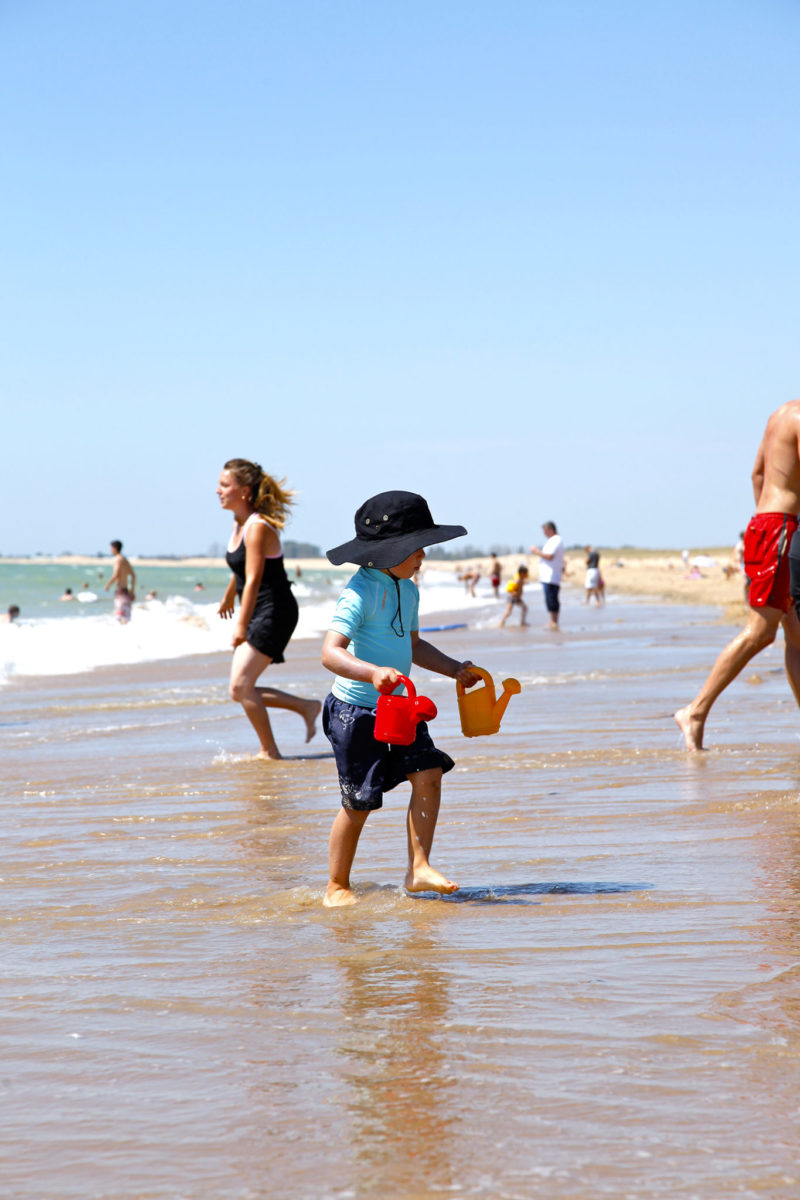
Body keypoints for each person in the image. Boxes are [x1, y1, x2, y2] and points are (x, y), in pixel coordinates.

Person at [320, 490, 483, 907]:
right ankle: (337, 884)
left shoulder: (408, 591)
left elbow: (412, 646)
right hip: (355, 712)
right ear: (385, 552)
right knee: (359, 802)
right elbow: (330, 652)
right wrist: (372, 672)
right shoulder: (358, 593)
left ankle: (418, 867)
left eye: (423, 548)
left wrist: (453, 668)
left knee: (429, 772)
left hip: (400, 707)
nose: (422, 556)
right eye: (415, 548)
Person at [675, 400, 800, 750]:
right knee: (761, 632)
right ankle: (694, 712)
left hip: (768, 524)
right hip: (782, 529)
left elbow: (757, 474)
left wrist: (765, 516)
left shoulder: (779, 415)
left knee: (797, 635)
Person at [217, 458, 321, 759]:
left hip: (275, 611)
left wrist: (240, 625)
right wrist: (227, 597)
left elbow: (252, 580)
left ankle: (270, 751)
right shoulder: (239, 524)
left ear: (245, 491)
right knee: (239, 689)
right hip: (262, 610)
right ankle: (305, 707)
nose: (218, 491)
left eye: (225, 485)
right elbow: (240, 569)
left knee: (241, 685)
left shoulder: (257, 527)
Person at [530, 521, 565, 631]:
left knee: (552, 599)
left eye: (545, 531)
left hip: (551, 576)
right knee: (550, 599)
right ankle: (552, 621)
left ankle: (554, 621)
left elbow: (549, 556)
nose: (544, 533)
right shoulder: (553, 540)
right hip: (549, 575)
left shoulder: (555, 540)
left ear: (550, 530)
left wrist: (536, 551)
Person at [104, 540, 136, 623]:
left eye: (111, 548)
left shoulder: (117, 560)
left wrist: (108, 584)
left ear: (115, 548)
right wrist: (132, 591)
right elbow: (133, 576)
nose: (110, 550)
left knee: (120, 616)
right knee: (126, 617)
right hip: (126, 592)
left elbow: (116, 575)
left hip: (120, 592)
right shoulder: (125, 560)